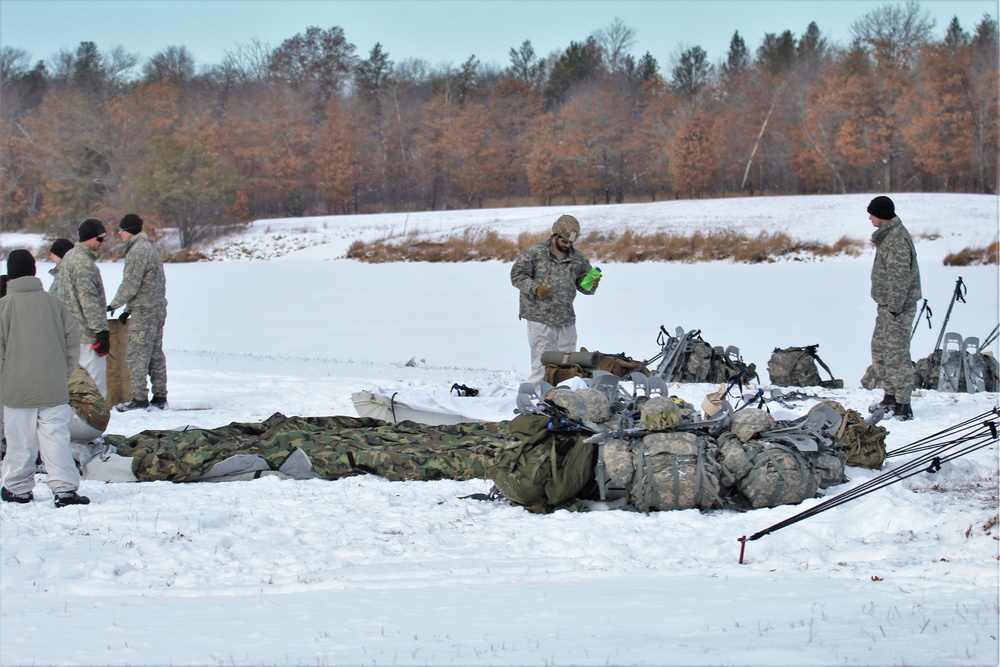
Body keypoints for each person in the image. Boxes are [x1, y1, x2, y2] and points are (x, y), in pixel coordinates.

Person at [0, 249, 90, 507]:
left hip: (16, 390)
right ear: (34, 271)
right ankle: (65, 490)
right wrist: (62, 373)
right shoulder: (55, 304)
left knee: (20, 443)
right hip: (53, 387)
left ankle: (18, 488)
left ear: (10, 274)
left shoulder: (3, 307)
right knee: (56, 440)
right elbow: (73, 343)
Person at [510, 214, 600, 384]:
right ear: (555, 235)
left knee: (567, 365)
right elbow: (517, 275)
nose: (567, 245)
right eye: (564, 241)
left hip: (565, 317)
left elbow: (583, 287)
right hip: (540, 317)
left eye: (570, 242)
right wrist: (536, 288)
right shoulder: (535, 252)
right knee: (542, 366)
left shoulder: (578, 258)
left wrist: (591, 282)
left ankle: (562, 399)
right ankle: (537, 402)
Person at [107, 213, 168, 411]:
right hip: (156, 308)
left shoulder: (137, 252)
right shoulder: (148, 248)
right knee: (155, 354)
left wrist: (114, 305)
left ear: (129, 230)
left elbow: (131, 284)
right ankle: (160, 397)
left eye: (122, 230)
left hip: (145, 311)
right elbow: (147, 285)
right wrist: (128, 309)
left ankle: (139, 399)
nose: (119, 233)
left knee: (137, 355)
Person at [868, 195, 921, 421]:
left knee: (896, 355)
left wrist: (894, 309)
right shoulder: (887, 236)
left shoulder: (897, 240)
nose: (869, 218)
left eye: (872, 213)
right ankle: (890, 396)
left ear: (882, 215)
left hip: (896, 308)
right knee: (880, 350)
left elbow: (900, 279)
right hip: (887, 306)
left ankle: (903, 404)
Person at [58, 218, 111, 398]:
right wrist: (101, 332)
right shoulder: (83, 264)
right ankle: (93, 424)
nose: (103, 243)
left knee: (75, 387)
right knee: (93, 388)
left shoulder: (70, 257)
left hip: (71, 333)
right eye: (100, 239)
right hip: (87, 337)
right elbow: (88, 300)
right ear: (88, 238)